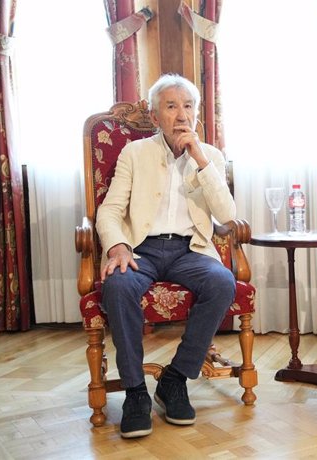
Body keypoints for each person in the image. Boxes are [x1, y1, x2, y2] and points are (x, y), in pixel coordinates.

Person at [97, 74, 237, 438]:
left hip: (189, 250)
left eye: (188, 106)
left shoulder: (211, 157)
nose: (181, 115)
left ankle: (175, 379)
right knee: (118, 285)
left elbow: (226, 215)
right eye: (171, 106)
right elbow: (110, 210)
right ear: (156, 115)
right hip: (140, 248)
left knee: (222, 282)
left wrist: (200, 160)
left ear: (197, 112)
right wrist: (118, 245)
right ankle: (135, 392)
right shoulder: (135, 153)